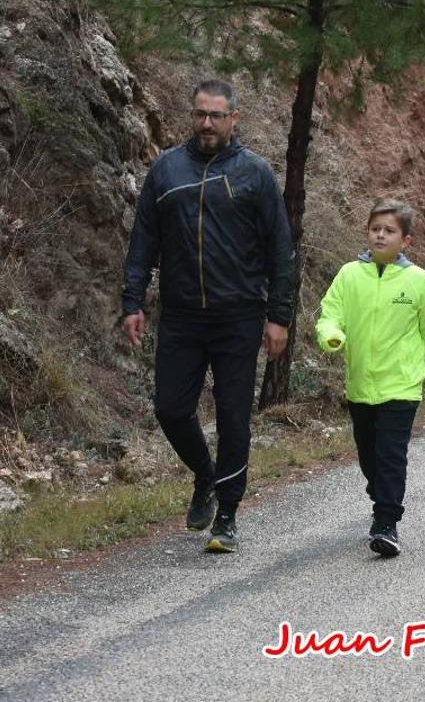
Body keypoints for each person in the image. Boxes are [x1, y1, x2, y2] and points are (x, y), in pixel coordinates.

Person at [121, 78, 294, 554]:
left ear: (234, 119)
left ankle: (229, 517)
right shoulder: (166, 170)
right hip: (180, 316)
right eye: (200, 113)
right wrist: (132, 301)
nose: (207, 123)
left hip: (238, 316)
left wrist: (278, 317)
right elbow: (143, 242)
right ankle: (205, 474)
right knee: (170, 408)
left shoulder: (255, 174)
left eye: (217, 115)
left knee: (234, 416)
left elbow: (282, 250)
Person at [316, 199, 425, 558]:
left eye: (389, 230)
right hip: (361, 385)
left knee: (391, 455)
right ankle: (382, 496)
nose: (380, 235)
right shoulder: (349, 275)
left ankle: (386, 523)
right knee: (369, 457)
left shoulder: (417, 280)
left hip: (402, 387)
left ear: (405, 241)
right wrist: (331, 335)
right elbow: (329, 314)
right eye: (375, 228)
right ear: (367, 233)